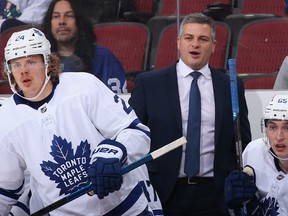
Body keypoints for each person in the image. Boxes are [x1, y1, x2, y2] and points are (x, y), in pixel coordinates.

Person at [0, 27, 163, 215]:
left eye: (31, 61)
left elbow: (136, 132)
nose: (24, 71)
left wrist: (114, 152)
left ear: (47, 63)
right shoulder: (6, 118)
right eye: (16, 64)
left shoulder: (84, 86)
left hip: (124, 208)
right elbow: (5, 190)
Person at [129, 13, 251, 216]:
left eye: (203, 39)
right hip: (163, 194)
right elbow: (132, 136)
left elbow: (242, 142)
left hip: (215, 196)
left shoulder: (231, 86)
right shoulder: (149, 84)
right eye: (189, 38)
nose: (195, 44)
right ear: (178, 42)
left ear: (213, 45)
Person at [42, 0, 127, 94]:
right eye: (56, 16)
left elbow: (116, 103)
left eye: (69, 15)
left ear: (80, 21)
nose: (62, 21)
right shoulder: (40, 60)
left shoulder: (103, 57)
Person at [225, 94, 288, 215]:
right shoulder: (254, 151)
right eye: (272, 127)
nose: (279, 137)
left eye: (287, 128)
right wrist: (238, 204)